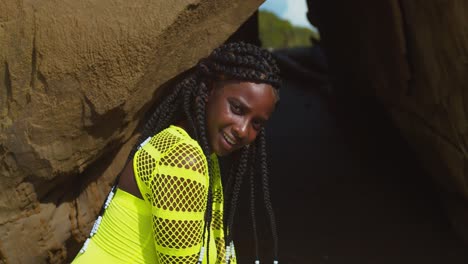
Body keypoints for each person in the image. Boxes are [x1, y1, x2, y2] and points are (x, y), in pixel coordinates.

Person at [72, 41, 281, 264]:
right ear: (209, 89)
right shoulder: (182, 160)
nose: (242, 130)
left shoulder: (201, 156)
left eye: (256, 124)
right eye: (237, 109)